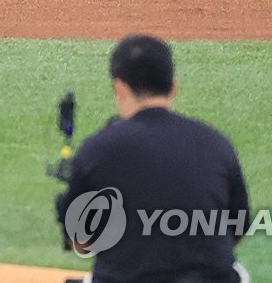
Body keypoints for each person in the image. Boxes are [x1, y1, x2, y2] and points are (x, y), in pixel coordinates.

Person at [56, 34, 251, 283]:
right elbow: (237, 230)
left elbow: (81, 243)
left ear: (119, 88)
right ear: (173, 86)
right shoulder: (216, 143)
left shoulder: (98, 149)